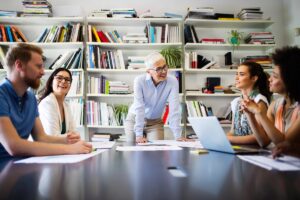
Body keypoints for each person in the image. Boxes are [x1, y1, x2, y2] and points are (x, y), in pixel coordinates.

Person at [0, 43, 92, 158]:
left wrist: (66, 139)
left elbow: (41, 137)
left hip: (20, 164)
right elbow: (14, 146)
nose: (43, 72)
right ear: (19, 65)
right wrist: (70, 149)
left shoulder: (30, 98)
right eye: (38, 66)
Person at [242, 46, 300, 149]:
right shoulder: (275, 105)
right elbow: (263, 141)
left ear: (290, 80)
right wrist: (250, 115)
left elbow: (283, 143)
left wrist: (259, 112)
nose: (270, 79)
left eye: (275, 76)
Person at [124, 52, 183, 143]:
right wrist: (139, 135)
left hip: (155, 123)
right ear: (148, 71)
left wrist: (178, 136)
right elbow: (139, 107)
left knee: (156, 153)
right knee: (132, 150)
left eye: (164, 67)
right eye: (159, 69)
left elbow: (174, 109)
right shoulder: (139, 81)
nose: (163, 71)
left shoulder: (172, 81)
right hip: (134, 120)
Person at [227, 61, 272, 145]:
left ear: (254, 78)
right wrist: (220, 139)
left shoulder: (259, 101)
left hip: (255, 151)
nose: (236, 78)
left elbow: (258, 137)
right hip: (239, 148)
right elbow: (233, 132)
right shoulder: (236, 102)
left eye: (241, 74)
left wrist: (228, 139)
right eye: (236, 74)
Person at [38, 68, 76, 136]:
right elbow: (52, 136)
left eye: (67, 79)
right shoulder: (47, 104)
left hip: (61, 146)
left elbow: (74, 132)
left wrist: (73, 137)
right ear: (51, 82)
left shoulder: (66, 105)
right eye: (59, 78)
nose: (64, 81)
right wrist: (71, 137)